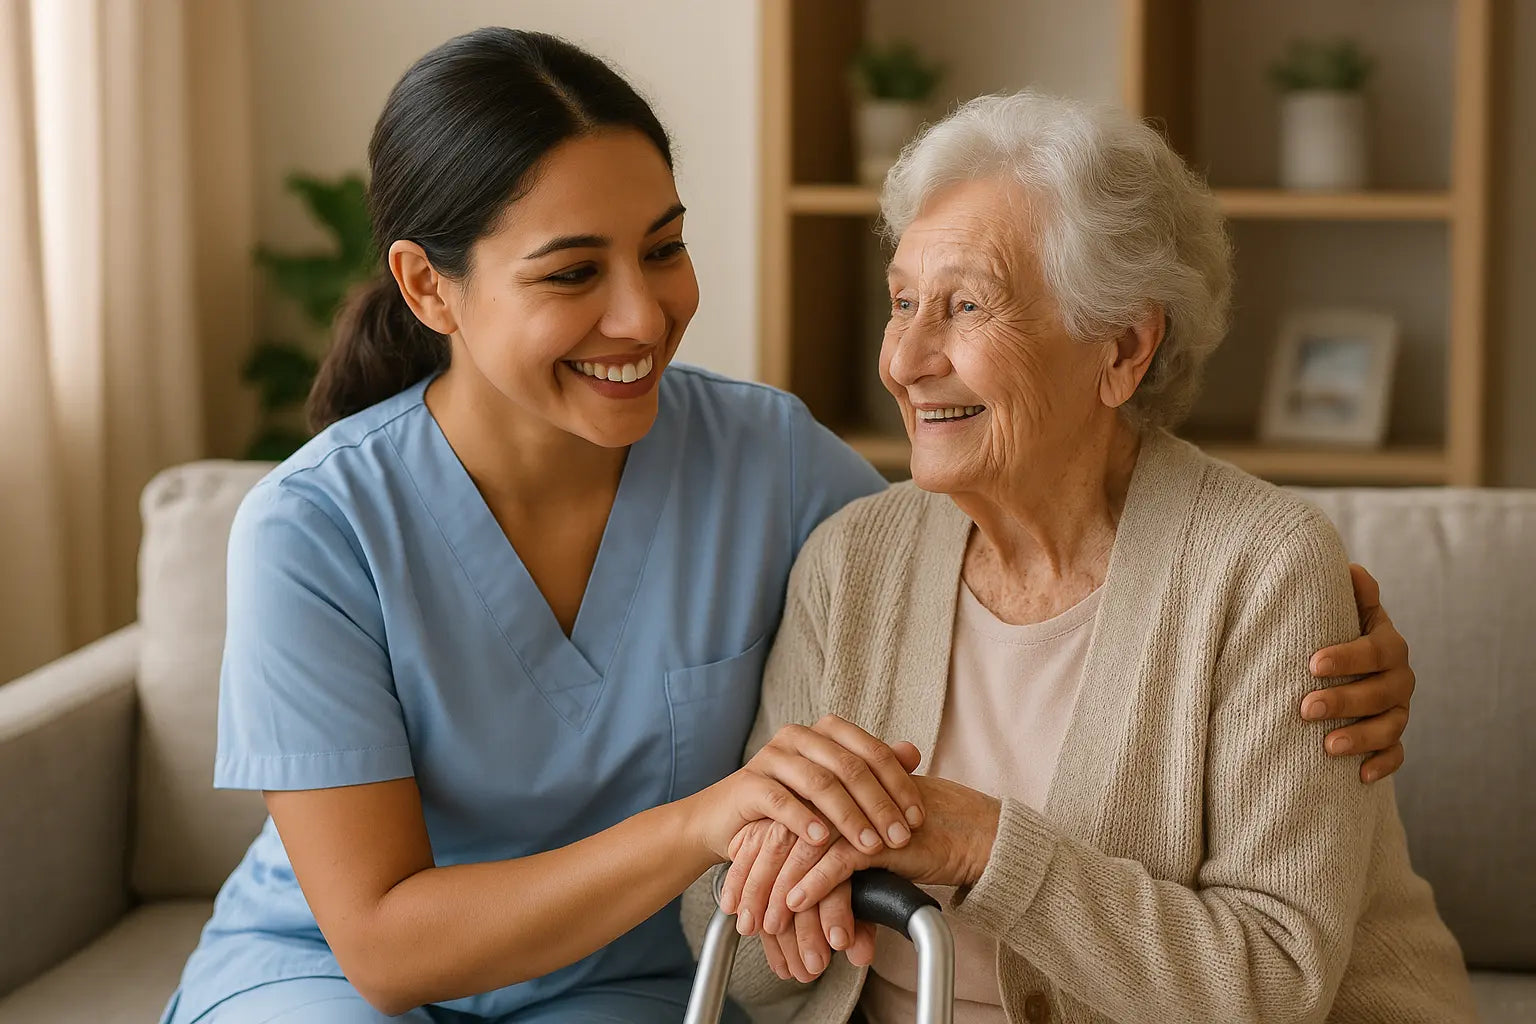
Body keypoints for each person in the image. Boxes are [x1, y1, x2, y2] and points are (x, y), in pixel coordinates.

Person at [162, 30, 1420, 1024]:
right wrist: (719, 826)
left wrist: (1331, 634)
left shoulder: (766, 465)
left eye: (663, 250)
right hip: (331, 977)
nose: (642, 317)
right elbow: (381, 944)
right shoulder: (312, 528)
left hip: (616, 987)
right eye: (570, 272)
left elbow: (1030, 534)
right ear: (428, 285)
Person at [693, 92, 1473, 1023]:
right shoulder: (852, 559)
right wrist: (781, 892)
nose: (903, 358)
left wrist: (986, 849)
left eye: (966, 305)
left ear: (1124, 347)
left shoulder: (1263, 571)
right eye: (902, 302)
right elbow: (727, 949)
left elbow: (1272, 981)